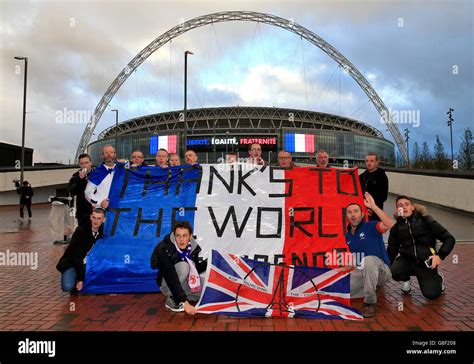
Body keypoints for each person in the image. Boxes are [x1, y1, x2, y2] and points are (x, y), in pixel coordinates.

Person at [388, 195, 455, 300]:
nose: (404, 207)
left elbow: (449, 239)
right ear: (397, 210)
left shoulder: (427, 221)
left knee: (431, 295)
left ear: (413, 207)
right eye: (400, 205)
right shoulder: (396, 228)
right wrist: (385, 267)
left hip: (425, 262)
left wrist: (440, 256)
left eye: (407, 204)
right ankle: (406, 281)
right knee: (394, 270)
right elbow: (392, 250)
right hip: (407, 261)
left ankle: (438, 279)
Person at [344, 192, 394, 318]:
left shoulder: (370, 226)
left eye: (356, 211)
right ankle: (369, 288)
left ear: (362, 214)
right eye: (349, 212)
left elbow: (390, 225)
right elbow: (354, 260)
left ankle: (369, 303)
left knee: (369, 260)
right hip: (362, 271)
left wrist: (374, 206)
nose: (353, 214)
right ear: (347, 216)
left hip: (382, 270)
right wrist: (342, 270)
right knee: (341, 291)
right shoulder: (347, 237)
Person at [150, 221, 207, 315]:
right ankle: (172, 297)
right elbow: (170, 274)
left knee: (207, 287)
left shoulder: (193, 248)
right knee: (184, 266)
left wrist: (208, 262)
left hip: (185, 283)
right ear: (174, 235)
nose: (181, 239)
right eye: (178, 236)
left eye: (185, 236)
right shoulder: (165, 248)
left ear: (190, 236)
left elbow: (195, 270)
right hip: (167, 283)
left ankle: (185, 294)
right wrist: (184, 302)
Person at [56, 208, 105, 294]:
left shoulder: (103, 232)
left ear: (103, 220)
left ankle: (84, 279)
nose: (95, 221)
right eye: (94, 217)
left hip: (89, 264)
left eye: (99, 218)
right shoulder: (81, 231)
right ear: (90, 217)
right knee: (67, 286)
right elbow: (77, 258)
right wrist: (80, 280)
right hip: (72, 263)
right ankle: (74, 277)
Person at [85, 145, 118, 209]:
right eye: (106, 152)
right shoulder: (96, 172)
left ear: (115, 154)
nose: (109, 154)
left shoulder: (122, 169)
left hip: (120, 211)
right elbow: (87, 192)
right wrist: (99, 202)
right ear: (102, 156)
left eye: (111, 152)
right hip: (103, 211)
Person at [359, 153, 389, 221]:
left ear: (377, 162)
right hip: (362, 210)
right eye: (367, 161)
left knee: (374, 229)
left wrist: (372, 208)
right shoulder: (361, 176)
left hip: (375, 212)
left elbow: (383, 197)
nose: (369, 163)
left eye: (372, 161)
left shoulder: (382, 177)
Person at [69, 153, 93, 227]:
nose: (84, 165)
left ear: (91, 163)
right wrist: (80, 179)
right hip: (83, 213)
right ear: (79, 164)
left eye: (86, 162)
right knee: (84, 235)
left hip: (97, 211)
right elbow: (73, 191)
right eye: (82, 163)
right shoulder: (75, 177)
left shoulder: (97, 173)